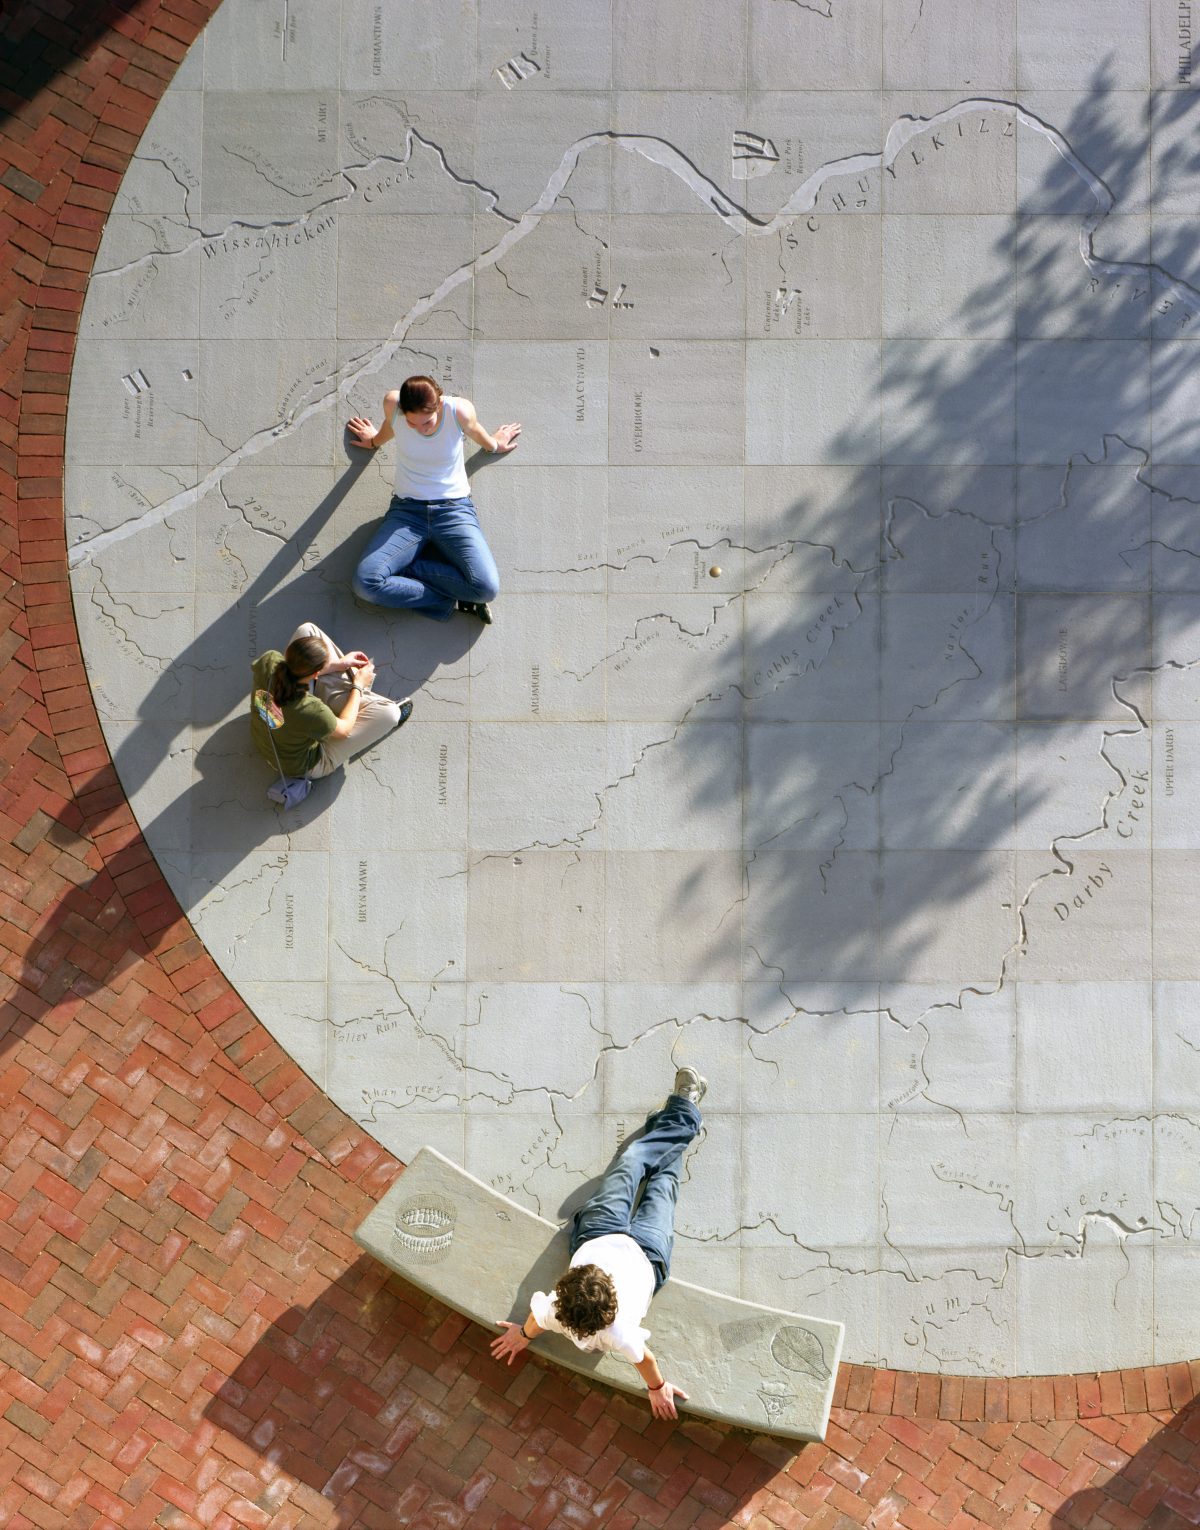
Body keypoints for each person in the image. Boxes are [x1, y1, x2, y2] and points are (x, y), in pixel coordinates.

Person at [490, 1066, 707, 1421]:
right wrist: (657, 1389)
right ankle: (682, 1110)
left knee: (632, 1162)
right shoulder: (619, 1332)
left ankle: (674, 1118)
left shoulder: (554, 1307)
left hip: (600, 1231)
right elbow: (646, 1361)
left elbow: (534, 1321)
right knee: (663, 1182)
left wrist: (522, 1337)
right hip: (647, 1255)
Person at [348, 375, 521, 624]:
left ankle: (407, 568)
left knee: (486, 589)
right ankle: (448, 599)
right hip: (406, 513)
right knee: (365, 584)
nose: (420, 429)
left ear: (438, 405)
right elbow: (391, 424)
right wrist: (374, 440)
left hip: (454, 511)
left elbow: (475, 431)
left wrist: (494, 445)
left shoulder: (458, 410)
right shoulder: (392, 403)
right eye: (412, 423)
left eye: (427, 422)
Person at [249, 622, 412, 779]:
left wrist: (337, 664)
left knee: (307, 630)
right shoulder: (311, 710)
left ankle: (343, 690)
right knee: (390, 714)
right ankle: (356, 694)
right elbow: (344, 730)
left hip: (264, 739)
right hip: (301, 764)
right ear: (314, 674)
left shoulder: (269, 659)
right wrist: (359, 685)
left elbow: (291, 673)